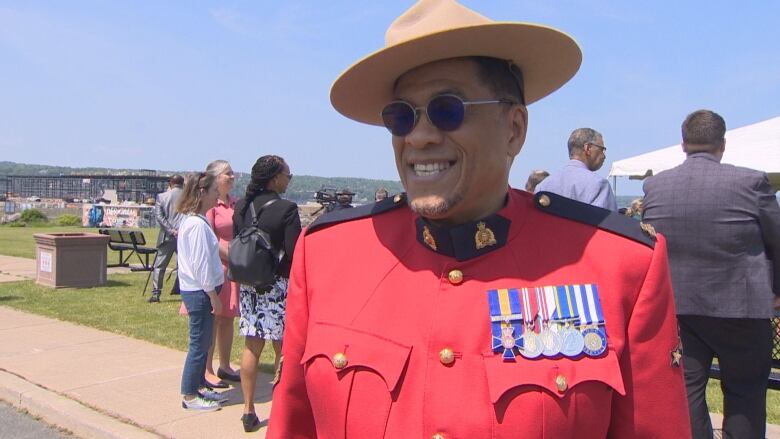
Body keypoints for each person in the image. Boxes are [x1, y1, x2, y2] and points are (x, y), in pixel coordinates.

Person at [267, 1, 690, 438]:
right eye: (401, 117)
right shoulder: (328, 256)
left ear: (514, 128)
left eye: (448, 109)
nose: (419, 135)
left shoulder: (619, 265)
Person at [642, 109, 780, 439]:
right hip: (743, 308)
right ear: (723, 143)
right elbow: (777, 240)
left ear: (683, 143)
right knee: (745, 394)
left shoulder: (655, 187)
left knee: (686, 393)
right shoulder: (752, 182)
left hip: (678, 308)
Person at [233, 155, 301, 432]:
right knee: (282, 349)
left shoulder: (241, 206)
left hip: (249, 286)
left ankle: (248, 410)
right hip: (277, 286)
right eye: (288, 174)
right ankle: (281, 408)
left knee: (252, 346)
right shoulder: (286, 208)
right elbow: (295, 251)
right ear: (275, 178)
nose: (289, 179)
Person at [176, 172, 228, 411]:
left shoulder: (194, 219)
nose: (218, 197)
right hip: (200, 293)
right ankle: (189, 394)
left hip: (200, 291)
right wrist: (213, 297)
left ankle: (198, 386)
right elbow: (201, 265)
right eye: (215, 192)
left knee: (204, 341)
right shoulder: (196, 224)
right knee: (199, 345)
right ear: (202, 193)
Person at [203, 160, 241, 386]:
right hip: (218, 266)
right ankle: (206, 369)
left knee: (228, 318)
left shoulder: (235, 204)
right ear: (216, 178)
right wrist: (230, 255)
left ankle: (225, 365)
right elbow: (209, 237)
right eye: (228, 174)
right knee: (213, 320)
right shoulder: (210, 205)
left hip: (234, 268)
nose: (232, 177)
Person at [535, 128, 618, 211]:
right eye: (602, 149)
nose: (604, 156)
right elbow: (608, 223)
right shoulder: (599, 185)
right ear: (588, 148)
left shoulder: (543, 186)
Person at [149, 174, 184, 303]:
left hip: (167, 236)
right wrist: (180, 231)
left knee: (160, 266)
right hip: (183, 236)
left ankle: (156, 293)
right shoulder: (189, 197)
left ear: (170, 183)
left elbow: (160, 217)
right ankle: (181, 289)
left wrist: (171, 230)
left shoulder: (162, 197)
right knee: (184, 265)